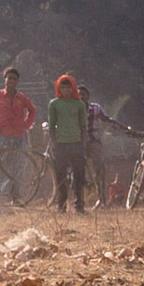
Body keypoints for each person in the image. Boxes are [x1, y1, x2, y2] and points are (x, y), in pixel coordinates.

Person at [47, 74, 90, 214]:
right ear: (59, 89)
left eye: (68, 88)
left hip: (76, 143)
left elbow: (84, 127)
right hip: (61, 144)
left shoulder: (79, 105)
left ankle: (79, 205)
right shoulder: (54, 104)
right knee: (61, 177)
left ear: (73, 89)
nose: (66, 90)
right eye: (63, 88)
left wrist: (83, 145)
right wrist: (53, 144)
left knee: (79, 176)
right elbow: (52, 126)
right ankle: (62, 205)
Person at [0, 67, 38, 147]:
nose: (12, 81)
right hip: (2, 135)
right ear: (5, 79)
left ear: (17, 81)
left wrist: (26, 125)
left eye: (14, 79)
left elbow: (32, 110)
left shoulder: (22, 97)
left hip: (19, 136)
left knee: (22, 158)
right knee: (0, 159)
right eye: (9, 78)